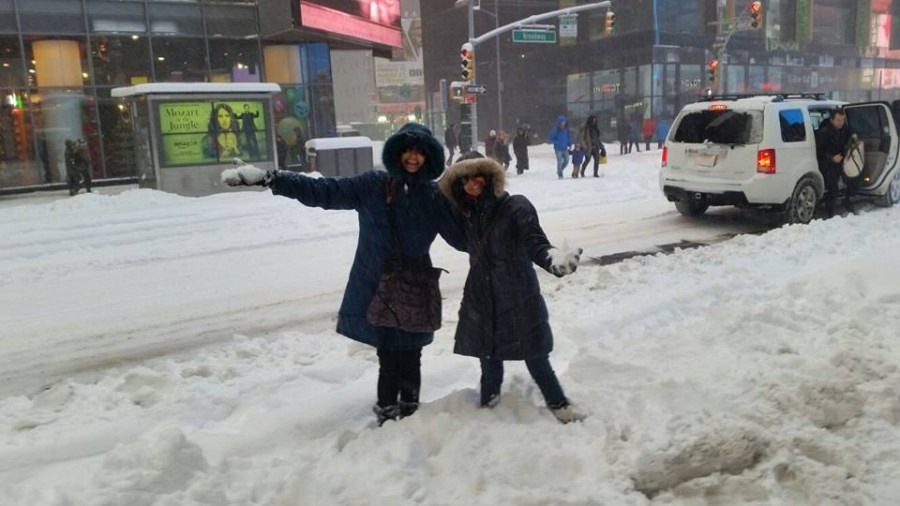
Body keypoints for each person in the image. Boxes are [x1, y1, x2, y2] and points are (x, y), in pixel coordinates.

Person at [221, 123, 464, 426]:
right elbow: (324, 191)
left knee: (412, 355)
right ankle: (388, 414)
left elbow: (462, 238)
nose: (413, 157)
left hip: (415, 288)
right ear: (397, 152)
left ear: (429, 157)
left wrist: (484, 205)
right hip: (379, 286)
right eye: (408, 150)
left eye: (420, 152)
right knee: (389, 355)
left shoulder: (434, 197)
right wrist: (273, 179)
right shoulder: (373, 185)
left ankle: (410, 411)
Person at [438, 154, 584, 424]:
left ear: (489, 176)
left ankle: (560, 406)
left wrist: (553, 260)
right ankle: (489, 407)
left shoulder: (515, 207)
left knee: (536, 359)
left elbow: (536, 243)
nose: (472, 184)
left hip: (518, 298)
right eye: (464, 179)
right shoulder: (467, 217)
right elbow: (456, 238)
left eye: (476, 176)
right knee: (489, 361)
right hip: (482, 299)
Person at [816, 108, 857, 218]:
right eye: (838, 120)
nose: (841, 123)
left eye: (843, 120)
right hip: (828, 163)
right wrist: (832, 158)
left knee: (852, 179)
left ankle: (848, 202)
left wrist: (853, 136)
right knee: (833, 187)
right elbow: (819, 151)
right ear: (832, 120)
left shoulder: (844, 129)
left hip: (843, 159)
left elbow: (850, 133)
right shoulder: (824, 133)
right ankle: (830, 213)